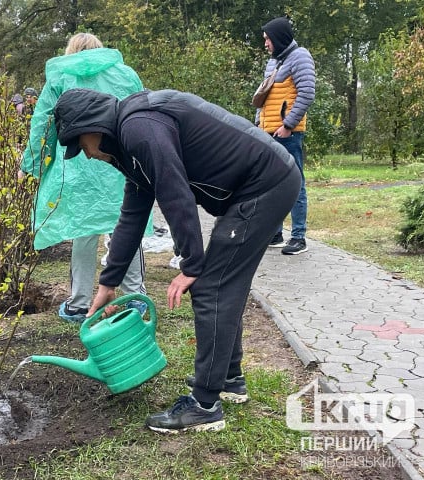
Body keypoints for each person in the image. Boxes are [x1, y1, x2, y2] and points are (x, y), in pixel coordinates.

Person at [53, 88, 301, 433]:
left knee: (211, 287)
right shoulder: (131, 142)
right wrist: (108, 282)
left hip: (264, 184)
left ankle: (204, 405)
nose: (87, 155)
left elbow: (175, 192)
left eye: (80, 145)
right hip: (259, 184)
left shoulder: (139, 128)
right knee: (221, 285)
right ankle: (228, 378)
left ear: (92, 127)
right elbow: (133, 215)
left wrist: (191, 266)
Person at [20, 32, 150, 323]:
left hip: (80, 163)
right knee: (127, 227)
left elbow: (43, 125)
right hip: (119, 161)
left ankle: (79, 303)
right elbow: (141, 111)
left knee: (83, 230)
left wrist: (32, 165)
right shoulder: (125, 74)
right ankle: (136, 298)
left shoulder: (60, 77)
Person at [257, 16, 315, 255]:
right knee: (272, 185)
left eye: (268, 39)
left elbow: (307, 93)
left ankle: (298, 236)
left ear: (279, 38)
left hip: (287, 133)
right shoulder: (273, 62)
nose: (266, 44)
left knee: (295, 183)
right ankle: (276, 233)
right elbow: (265, 95)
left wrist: (288, 124)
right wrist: (257, 124)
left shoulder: (300, 57)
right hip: (268, 131)